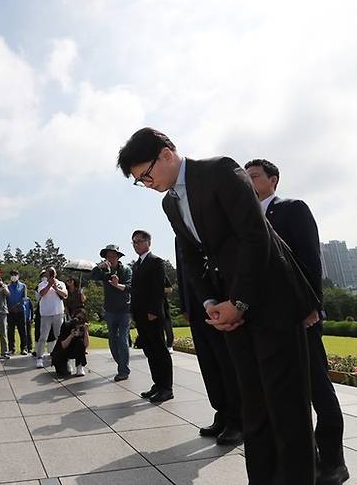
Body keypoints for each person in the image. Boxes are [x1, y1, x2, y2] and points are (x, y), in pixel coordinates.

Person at [117, 127, 319, 484]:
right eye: (139, 181)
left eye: (146, 175)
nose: (146, 184)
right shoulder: (169, 203)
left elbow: (255, 237)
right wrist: (212, 301)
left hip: (270, 300)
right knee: (253, 404)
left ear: (166, 154)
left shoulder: (220, 172)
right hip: (230, 306)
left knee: (286, 405)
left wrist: (239, 301)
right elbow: (193, 256)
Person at [245, 158, 349, 484]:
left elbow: (309, 259)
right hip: (265, 321)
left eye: (255, 176)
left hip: (300, 315)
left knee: (318, 388)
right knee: (285, 395)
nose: (249, 182)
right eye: (244, 178)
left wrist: (312, 306)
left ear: (273, 179)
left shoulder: (291, 209)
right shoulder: (245, 220)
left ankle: (334, 462)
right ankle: (308, 459)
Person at [176, 238, 243, 446]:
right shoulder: (180, 227)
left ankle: (237, 419)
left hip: (221, 301)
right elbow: (183, 269)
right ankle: (221, 412)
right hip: (196, 306)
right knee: (209, 364)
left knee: (227, 363)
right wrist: (185, 305)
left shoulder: (211, 215)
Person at [130, 230, 173, 403]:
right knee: (149, 351)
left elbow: (158, 290)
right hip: (140, 315)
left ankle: (167, 388)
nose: (136, 245)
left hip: (153, 314)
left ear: (148, 242)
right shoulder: (137, 264)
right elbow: (135, 290)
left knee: (159, 350)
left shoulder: (156, 262)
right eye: (133, 242)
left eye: (138, 241)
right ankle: (158, 384)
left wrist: (153, 312)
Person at [90, 245, 132, 381]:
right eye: (108, 256)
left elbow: (130, 287)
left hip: (124, 309)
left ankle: (123, 370)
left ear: (118, 257)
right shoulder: (104, 271)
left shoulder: (126, 270)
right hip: (110, 310)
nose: (111, 258)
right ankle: (121, 364)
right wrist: (99, 267)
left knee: (122, 338)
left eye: (113, 256)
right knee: (112, 340)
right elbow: (92, 276)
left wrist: (117, 285)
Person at [35, 266, 68, 368]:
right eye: (49, 273)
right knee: (43, 337)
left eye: (53, 272)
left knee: (59, 336)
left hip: (58, 313)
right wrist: (49, 284)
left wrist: (56, 288)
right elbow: (42, 293)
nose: (51, 274)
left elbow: (65, 295)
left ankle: (62, 356)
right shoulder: (42, 284)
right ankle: (39, 358)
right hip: (45, 315)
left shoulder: (61, 283)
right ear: (46, 274)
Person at [50, 311, 89, 377]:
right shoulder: (66, 325)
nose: (80, 320)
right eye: (78, 318)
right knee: (63, 373)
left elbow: (85, 345)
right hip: (62, 351)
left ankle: (79, 366)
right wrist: (71, 335)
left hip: (74, 348)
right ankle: (67, 362)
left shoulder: (83, 328)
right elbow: (63, 345)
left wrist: (86, 332)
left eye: (82, 318)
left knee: (80, 342)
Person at [7, 270, 28, 355]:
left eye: (15, 274)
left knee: (22, 331)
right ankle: (12, 349)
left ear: (18, 276)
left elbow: (24, 298)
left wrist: (17, 306)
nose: (14, 276)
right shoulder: (7, 286)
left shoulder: (23, 286)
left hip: (20, 311)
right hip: (10, 311)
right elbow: (6, 299)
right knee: (10, 331)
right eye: (12, 275)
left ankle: (24, 348)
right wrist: (10, 308)